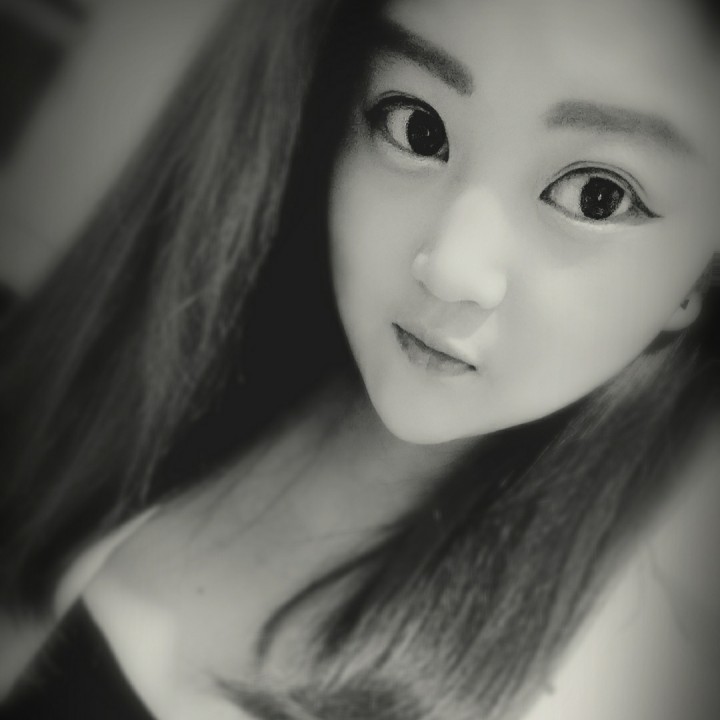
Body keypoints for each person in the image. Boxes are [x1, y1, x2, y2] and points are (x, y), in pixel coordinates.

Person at [1, 0, 719, 717]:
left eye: (597, 197)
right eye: (416, 126)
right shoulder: (113, 402)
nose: (452, 267)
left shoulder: (622, 692)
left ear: (702, 274)